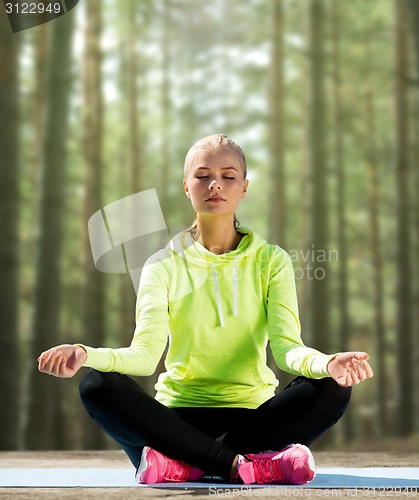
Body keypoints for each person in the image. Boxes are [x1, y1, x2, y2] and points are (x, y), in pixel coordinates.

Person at [38, 134, 373, 486]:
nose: (215, 184)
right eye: (202, 176)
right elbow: (144, 356)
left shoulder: (272, 260)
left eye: (228, 176)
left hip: (254, 420)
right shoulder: (162, 265)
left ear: (244, 188)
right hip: (174, 424)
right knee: (95, 384)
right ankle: (246, 465)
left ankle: (188, 466)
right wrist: (84, 353)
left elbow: (288, 350)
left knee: (333, 387)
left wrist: (328, 363)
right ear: (186, 186)